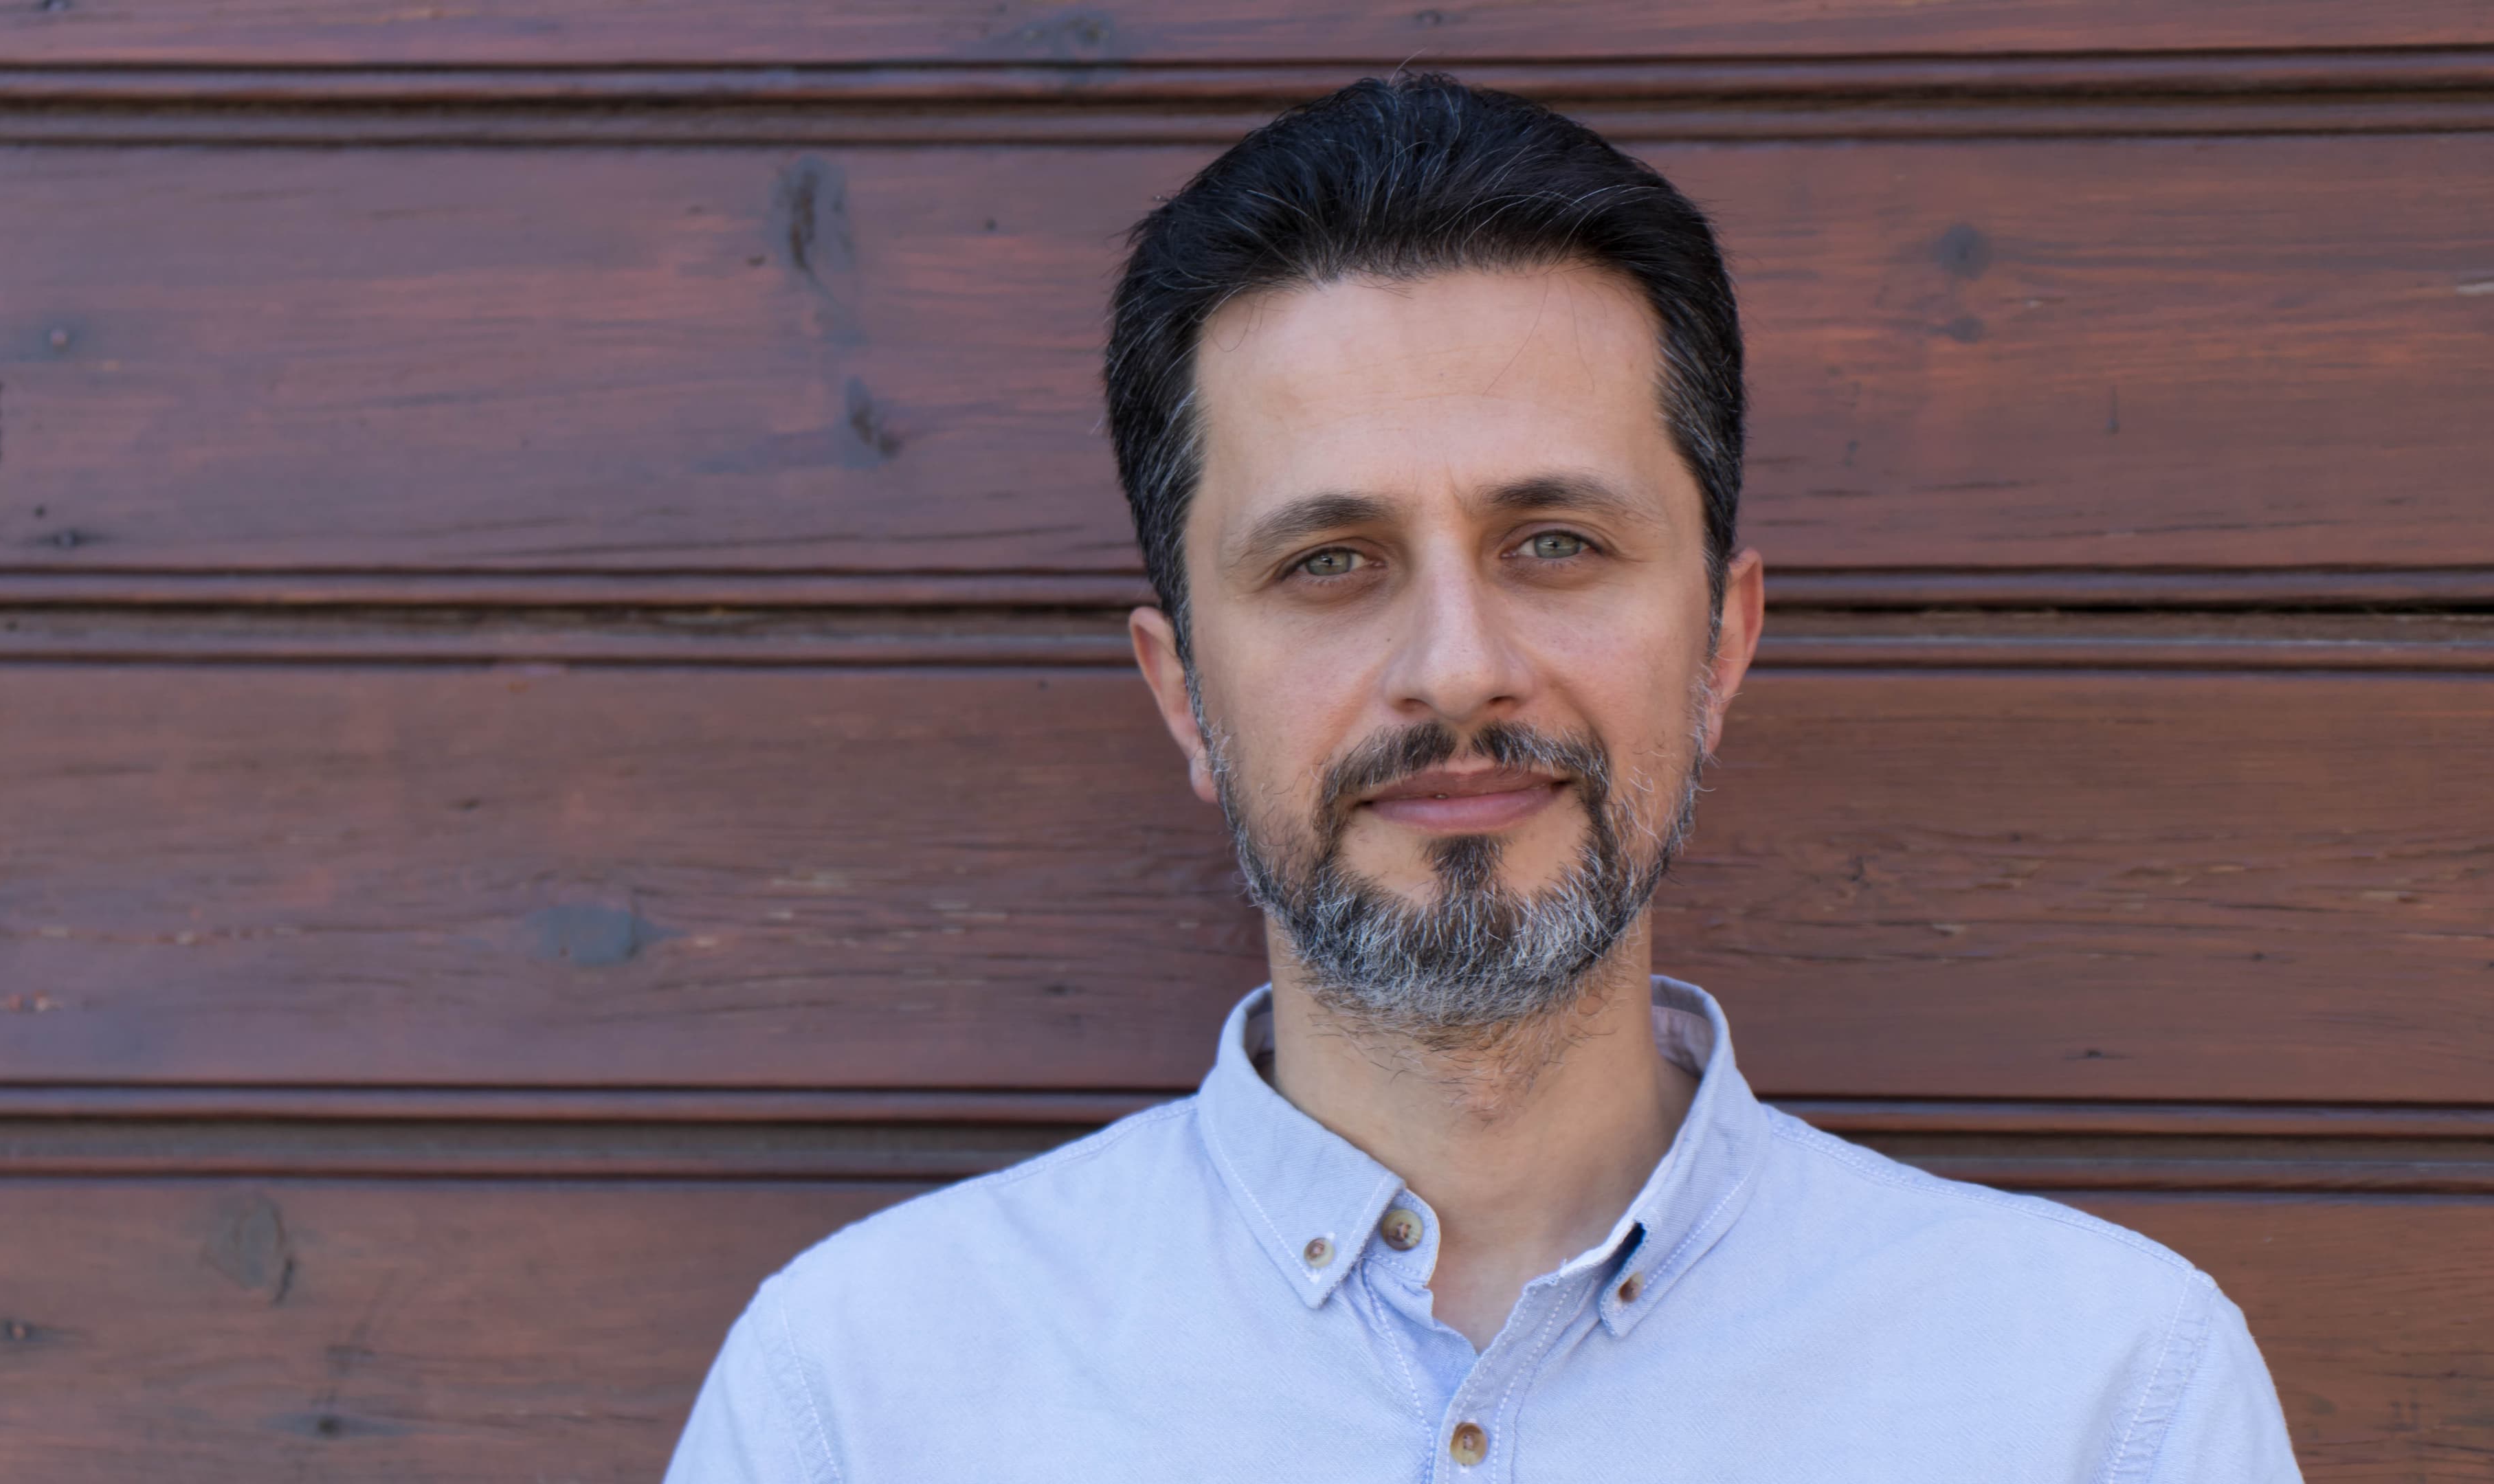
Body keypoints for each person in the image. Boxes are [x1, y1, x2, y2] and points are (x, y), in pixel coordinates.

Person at [664, 73, 2300, 1481]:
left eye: (1556, 544)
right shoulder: (865, 1399)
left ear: (1720, 643)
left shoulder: (2099, 1399)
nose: (1456, 665)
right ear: (1182, 692)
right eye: (1329, 562)